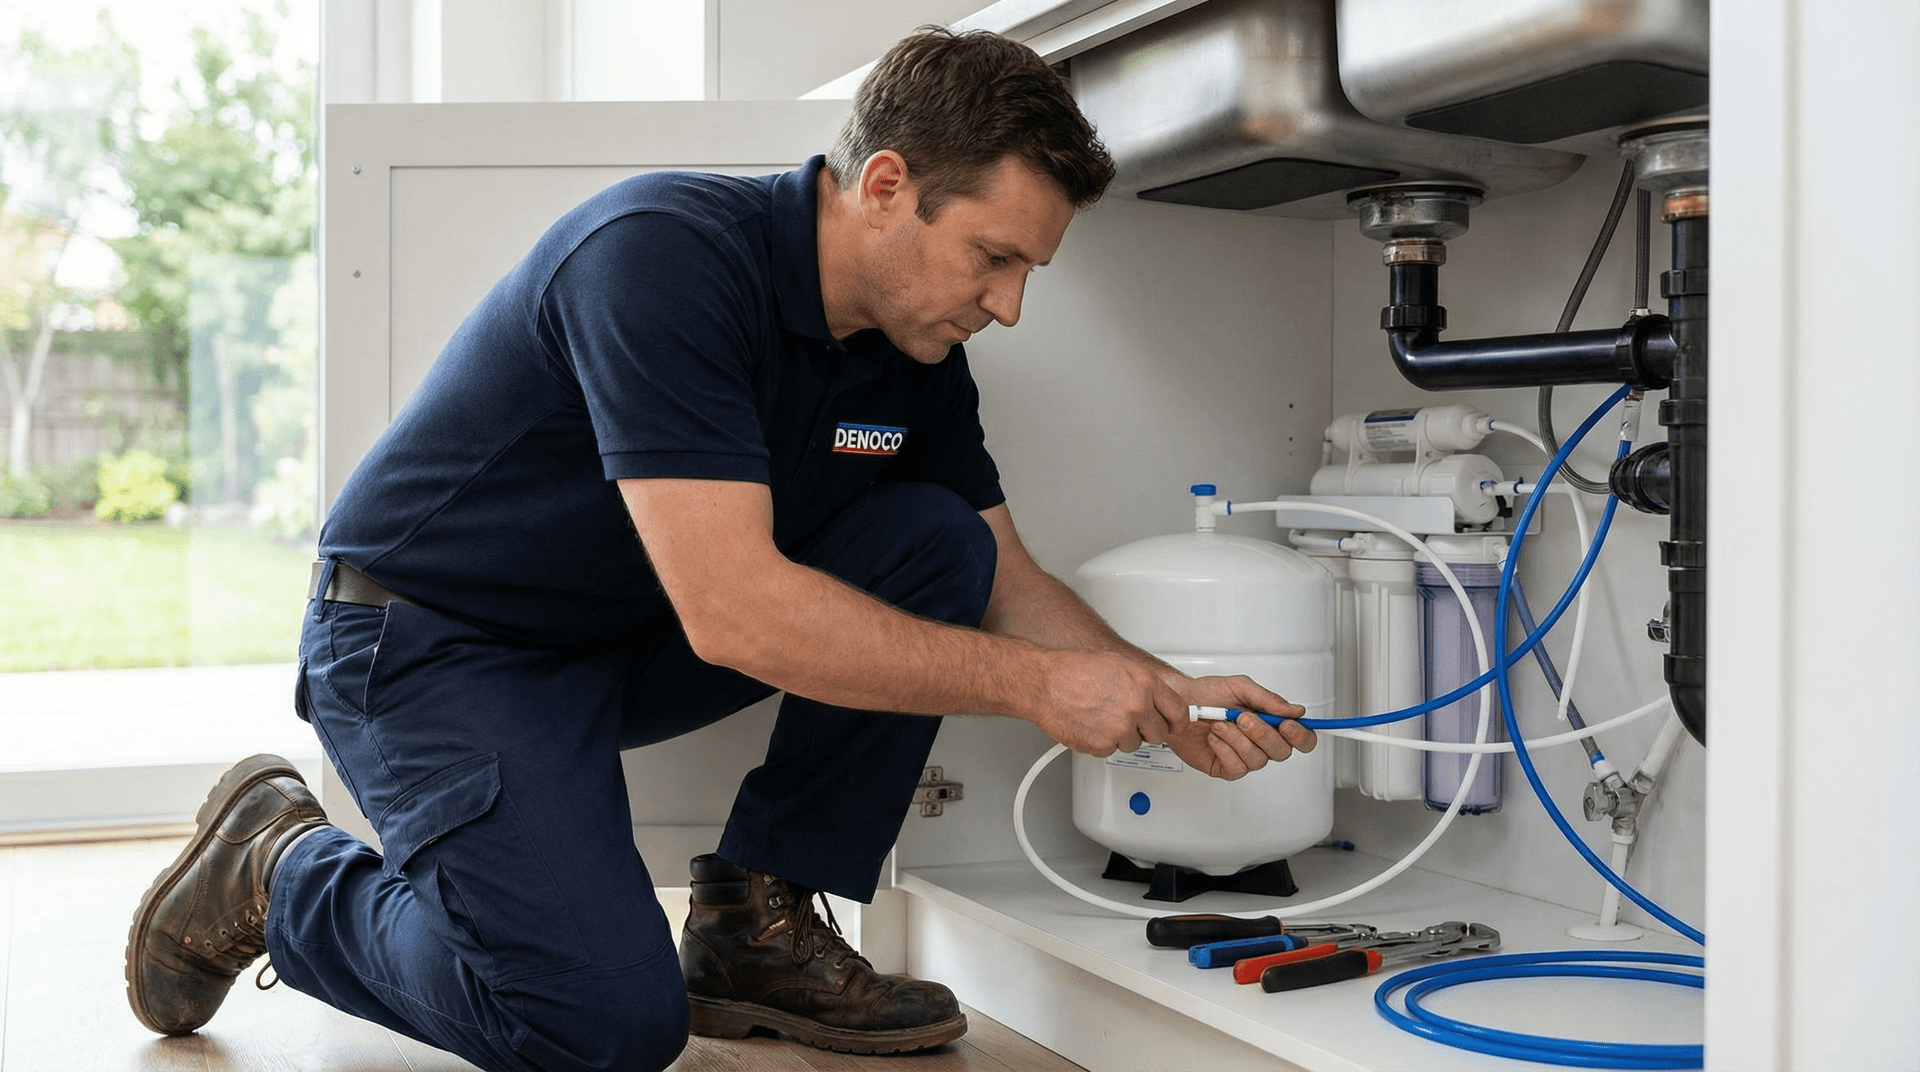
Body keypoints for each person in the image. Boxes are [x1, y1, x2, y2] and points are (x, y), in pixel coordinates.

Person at [124, 27, 1317, 1072]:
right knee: (599, 1027)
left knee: (934, 541)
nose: (1007, 305)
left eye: (1026, 272)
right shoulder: (662, 259)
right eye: (993, 258)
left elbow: (1000, 575)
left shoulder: (918, 357)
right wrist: (1048, 689)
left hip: (613, 637)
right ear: (887, 186)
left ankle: (756, 925)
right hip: (429, 641)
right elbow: (739, 618)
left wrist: (1161, 694)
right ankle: (278, 873)